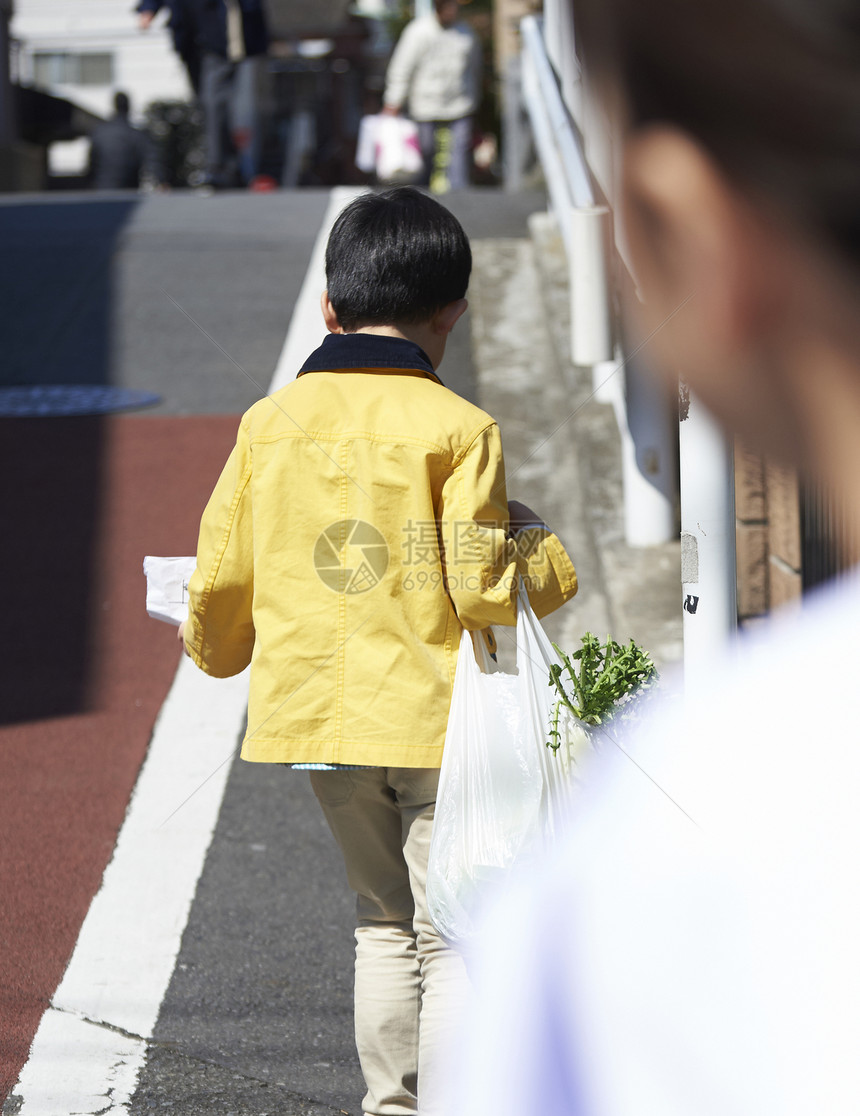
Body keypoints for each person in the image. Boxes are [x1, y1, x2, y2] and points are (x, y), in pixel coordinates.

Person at [445, 0, 860, 1109]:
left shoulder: (680, 836)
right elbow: (507, 571)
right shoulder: (458, 437)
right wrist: (543, 566)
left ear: (685, 230)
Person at [179, 187, 578, 1116]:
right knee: (450, 934)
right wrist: (543, 548)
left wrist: (218, 650)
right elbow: (485, 586)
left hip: (319, 717)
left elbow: (222, 574)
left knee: (382, 924)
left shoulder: (267, 423)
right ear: (453, 317)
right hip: (438, 719)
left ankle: (387, 1108)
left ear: (330, 308)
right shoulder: (459, 428)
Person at [137, 0, 269, 186]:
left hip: (227, 38)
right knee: (207, 104)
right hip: (193, 37)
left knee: (222, 104)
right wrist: (149, 9)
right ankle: (225, 164)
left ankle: (222, 167)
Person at [382, 0, 481, 191]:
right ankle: (422, 189)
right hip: (425, 102)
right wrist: (393, 100)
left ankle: (459, 192)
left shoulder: (465, 33)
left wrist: (474, 99)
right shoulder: (418, 31)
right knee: (426, 149)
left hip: (459, 101)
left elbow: (474, 67)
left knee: (460, 148)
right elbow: (403, 67)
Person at [87, 91, 150, 190]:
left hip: (103, 189)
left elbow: (91, 164)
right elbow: (150, 161)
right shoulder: (136, 135)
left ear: (114, 106)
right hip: (129, 192)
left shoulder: (100, 133)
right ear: (129, 107)